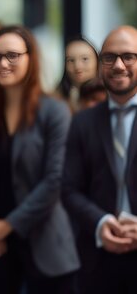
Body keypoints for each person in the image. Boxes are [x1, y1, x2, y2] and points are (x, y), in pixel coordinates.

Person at [0, 26, 79, 293]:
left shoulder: (55, 111)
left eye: (13, 55)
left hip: (46, 245)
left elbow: (54, 180)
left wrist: (8, 226)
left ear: (30, 58)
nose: (3, 63)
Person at [61, 25, 137, 294]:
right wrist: (101, 221)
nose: (118, 65)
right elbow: (68, 188)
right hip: (97, 258)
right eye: (109, 57)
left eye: (128, 56)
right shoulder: (82, 122)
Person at [56, 36, 99, 111]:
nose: (78, 67)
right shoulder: (56, 99)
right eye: (71, 60)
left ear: (97, 61)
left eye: (85, 59)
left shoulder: (109, 97)